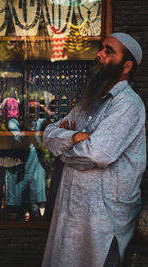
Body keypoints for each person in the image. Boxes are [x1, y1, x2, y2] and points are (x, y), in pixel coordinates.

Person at [41, 32, 146, 267]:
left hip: (104, 220)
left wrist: (63, 149)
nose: (99, 54)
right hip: (73, 212)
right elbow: (48, 135)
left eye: (109, 51)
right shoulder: (89, 101)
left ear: (126, 66)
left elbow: (98, 154)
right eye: (102, 48)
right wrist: (76, 137)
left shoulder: (128, 104)